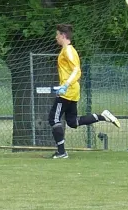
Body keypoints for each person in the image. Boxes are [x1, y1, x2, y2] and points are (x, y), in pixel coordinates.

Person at [49, 24, 120, 159]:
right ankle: (102, 116)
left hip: (68, 91)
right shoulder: (67, 50)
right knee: (72, 122)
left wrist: (65, 85)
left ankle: (62, 152)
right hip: (72, 90)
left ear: (63, 36)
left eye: (57, 34)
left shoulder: (68, 50)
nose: (56, 37)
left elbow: (76, 69)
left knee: (53, 118)